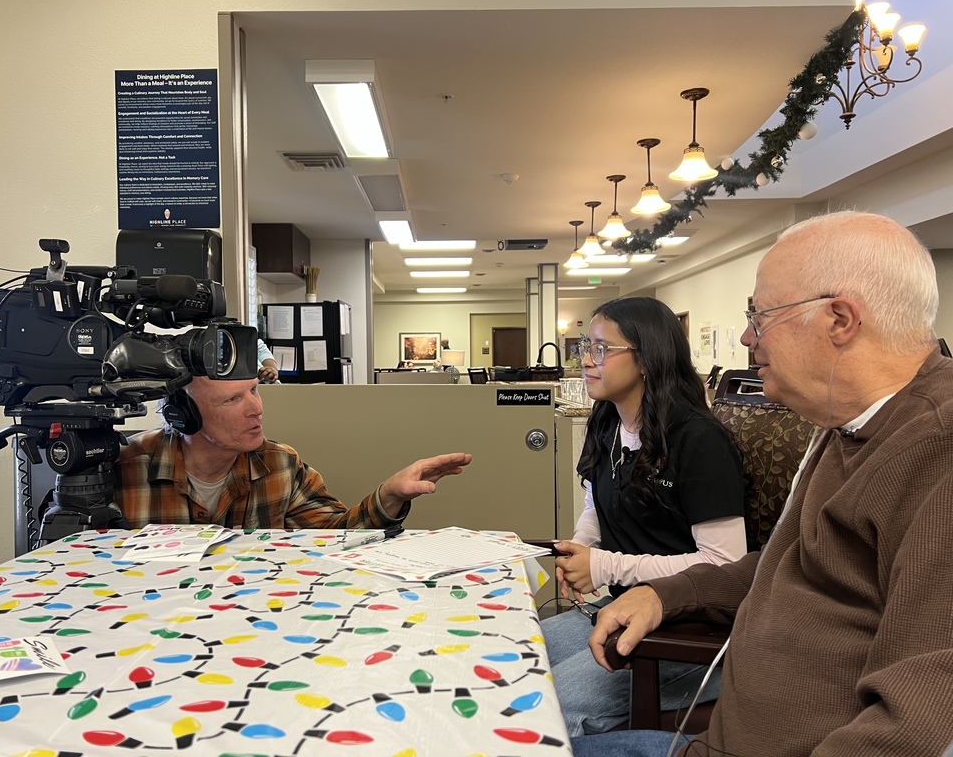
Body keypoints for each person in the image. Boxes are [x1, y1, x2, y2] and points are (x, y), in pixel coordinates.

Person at [573, 211, 953, 757]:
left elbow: (919, 722)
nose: (748, 336)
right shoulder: (843, 424)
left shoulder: (937, 448)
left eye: (761, 315)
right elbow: (785, 561)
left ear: (840, 320)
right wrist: (667, 593)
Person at [542, 296, 745, 736]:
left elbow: (725, 566)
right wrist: (584, 546)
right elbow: (595, 500)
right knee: (519, 658)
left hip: (690, 629)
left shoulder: (698, 441)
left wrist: (605, 565)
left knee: (547, 708)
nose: (586, 360)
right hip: (622, 608)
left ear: (647, 359)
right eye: (585, 346)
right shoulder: (607, 420)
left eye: (601, 348)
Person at [113, 374, 472, 529]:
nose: (256, 408)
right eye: (233, 399)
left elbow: (337, 536)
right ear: (183, 415)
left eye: (254, 390)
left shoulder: (279, 464)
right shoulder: (127, 465)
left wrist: (389, 496)